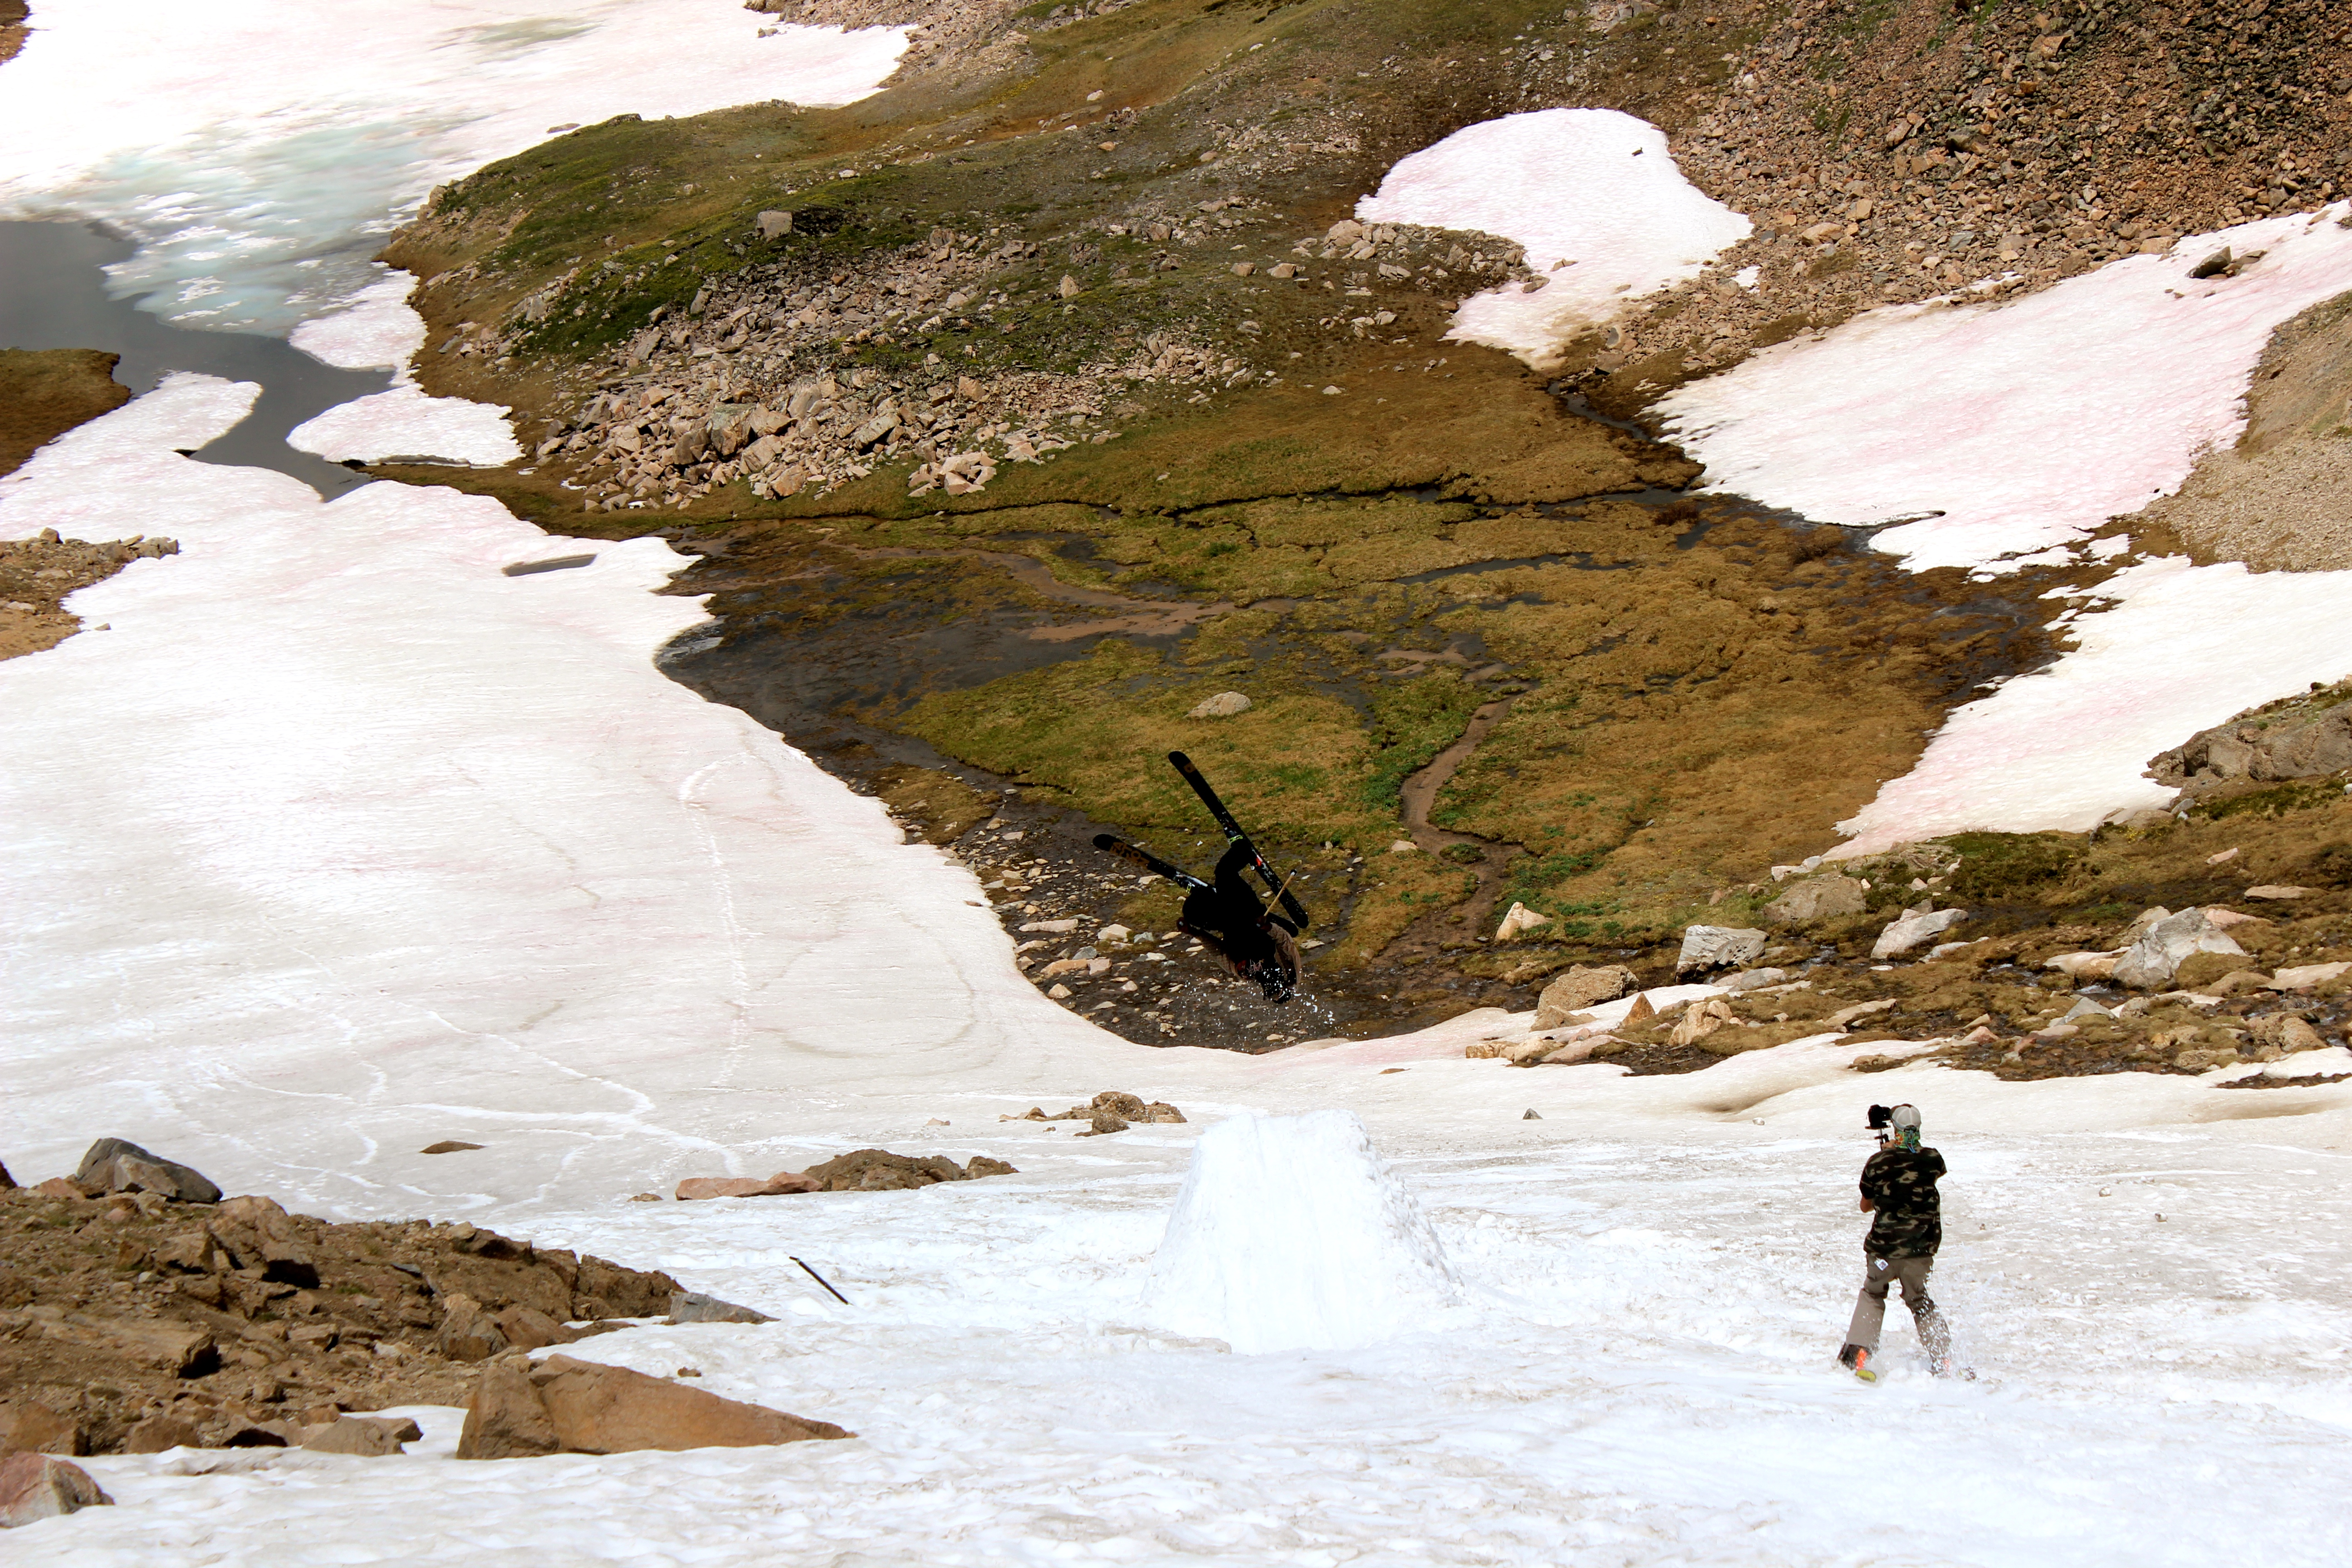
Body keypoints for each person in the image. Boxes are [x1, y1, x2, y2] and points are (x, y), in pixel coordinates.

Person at [1838, 1102, 1954, 1381]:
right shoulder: (1933, 1160)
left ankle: (1859, 1356)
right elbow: (1920, 1167)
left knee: (1873, 1294)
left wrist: (1887, 1157)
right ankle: (1946, 1359)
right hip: (1921, 1248)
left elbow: (1866, 1206)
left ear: (1895, 1129)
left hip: (1884, 1249)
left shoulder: (1878, 1163)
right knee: (1919, 1299)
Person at [1176, 841, 1301, 1003]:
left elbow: (1219, 952)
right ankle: (1243, 849)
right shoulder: (1290, 972)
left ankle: (1208, 896)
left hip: (1226, 921)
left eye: (1270, 992)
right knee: (1223, 874)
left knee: (1191, 913)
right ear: (1284, 988)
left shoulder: (1244, 973)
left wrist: (1193, 932)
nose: (1270, 988)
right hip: (1249, 911)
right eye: (1276, 991)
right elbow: (1285, 940)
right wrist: (1268, 927)